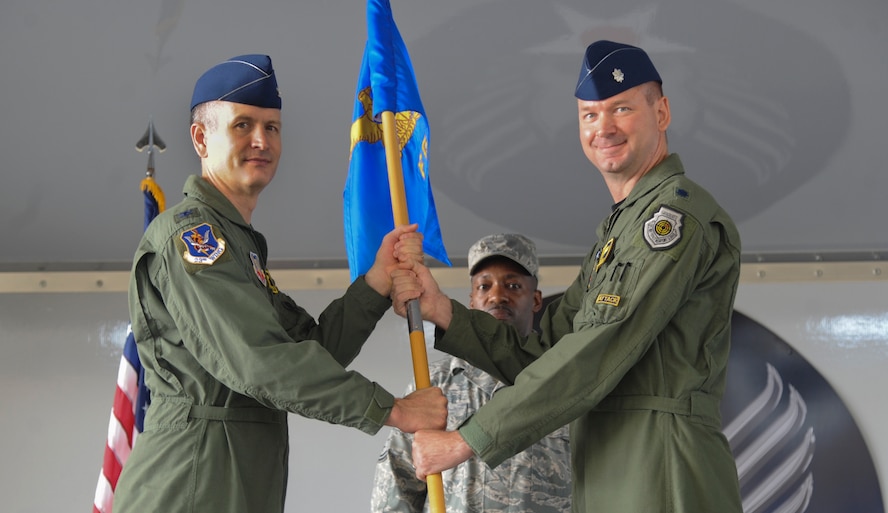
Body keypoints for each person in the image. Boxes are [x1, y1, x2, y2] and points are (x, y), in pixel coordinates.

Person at [390, 40, 743, 512]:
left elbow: (595, 352)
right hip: (606, 462)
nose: (605, 128)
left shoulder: (672, 219)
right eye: (590, 115)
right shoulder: (618, 231)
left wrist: (466, 441)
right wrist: (442, 311)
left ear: (662, 112)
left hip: (661, 462)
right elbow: (543, 350)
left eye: (621, 108)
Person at [112, 54, 447, 513]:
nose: (261, 141)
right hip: (189, 484)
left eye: (272, 127)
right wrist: (396, 410)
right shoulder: (192, 238)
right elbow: (261, 363)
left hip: (232, 480)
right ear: (200, 137)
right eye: (243, 125)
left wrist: (375, 282)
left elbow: (308, 351)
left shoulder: (240, 247)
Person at [371, 234, 572, 512]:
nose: (497, 295)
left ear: (536, 300)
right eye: (484, 286)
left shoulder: (567, 379)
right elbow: (397, 482)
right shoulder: (434, 384)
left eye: (513, 285)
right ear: (472, 300)